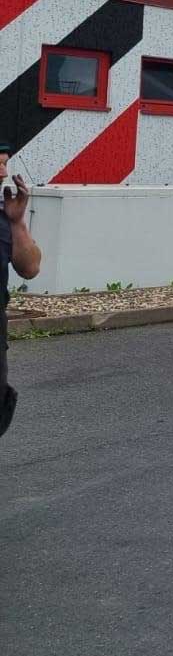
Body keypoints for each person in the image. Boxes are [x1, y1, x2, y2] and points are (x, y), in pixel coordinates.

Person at [1, 145, 45, 439]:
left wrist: (17, 223)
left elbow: (29, 268)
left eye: (4, 164)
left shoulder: (3, 217)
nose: (3, 172)